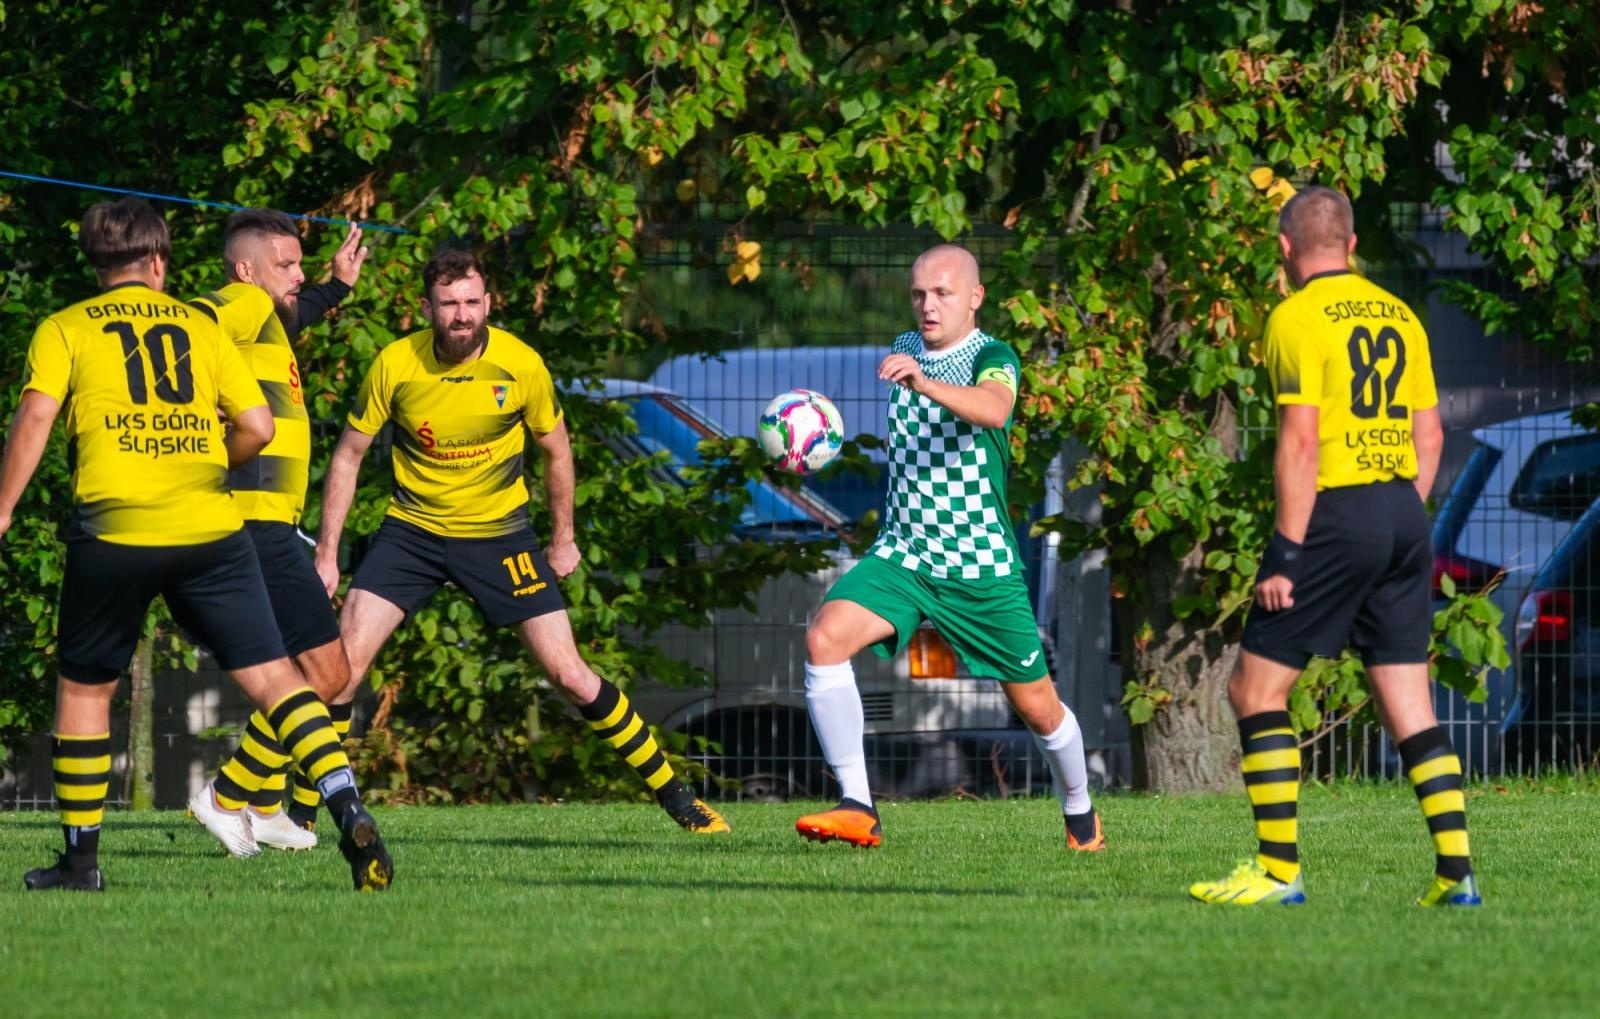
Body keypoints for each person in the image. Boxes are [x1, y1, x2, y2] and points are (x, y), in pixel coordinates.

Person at [0, 197, 391, 892]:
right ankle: (347, 808)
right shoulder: (198, 323)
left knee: (86, 689)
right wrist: (209, 464)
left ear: (95, 263)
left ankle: (81, 864)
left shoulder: (65, 327)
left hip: (117, 525)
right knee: (280, 681)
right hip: (213, 528)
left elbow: (35, 414)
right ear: (158, 261)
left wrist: (3, 508)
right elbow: (256, 426)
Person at [313, 248, 729, 834]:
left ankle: (679, 798)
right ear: (427, 308)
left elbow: (557, 452)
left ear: (488, 303)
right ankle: (302, 816)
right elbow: (348, 456)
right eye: (448, 304)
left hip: (500, 535)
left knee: (570, 674)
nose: (461, 314)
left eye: (470, 302)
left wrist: (564, 539)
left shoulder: (520, 364)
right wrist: (327, 555)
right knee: (339, 673)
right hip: (412, 532)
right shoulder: (395, 363)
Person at [1188, 185, 1477, 907]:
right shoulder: (1400, 315)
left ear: (1285, 249)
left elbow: (1301, 442)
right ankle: (1457, 876)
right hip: (1404, 510)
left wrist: (1287, 553)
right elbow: (1431, 434)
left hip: (1336, 513)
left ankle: (1278, 872)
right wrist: (1395, 513)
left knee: (1254, 690)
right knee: (1409, 703)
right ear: (1350, 245)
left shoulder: (1294, 317)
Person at [794, 244, 1104, 851]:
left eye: (942, 293)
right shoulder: (906, 346)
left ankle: (1080, 811)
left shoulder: (992, 356)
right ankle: (858, 806)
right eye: (918, 294)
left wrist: (924, 381)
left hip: (978, 565)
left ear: (974, 298)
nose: (927, 305)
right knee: (824, 639)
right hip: (905, 555)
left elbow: (995, 408)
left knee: (1039, 710)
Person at [186, 209, 367, 855]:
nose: (298, 275)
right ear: (245, 270)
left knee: (308, 675)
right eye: (285, 265)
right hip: (251, 520)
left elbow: (295, 312)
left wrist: (337, 287)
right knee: (327, 675)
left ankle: (260, 806)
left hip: (270, 524)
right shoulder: (239, 302)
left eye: (300, 264)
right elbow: (190, 325)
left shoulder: (267, 317)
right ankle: (228, 796)